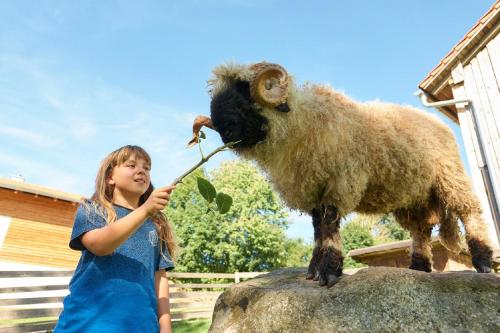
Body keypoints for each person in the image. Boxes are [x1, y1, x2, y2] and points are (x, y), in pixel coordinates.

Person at [54, 145, 178, 333]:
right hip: (87, 325)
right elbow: (100, 246)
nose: (141, 171)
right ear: (110, 177)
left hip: (142, 327)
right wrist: (145, 210)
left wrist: (165, 325)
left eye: (146, 168)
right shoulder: (92, 210)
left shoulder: (156, 224)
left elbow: (159, 278)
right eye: (131, 165)